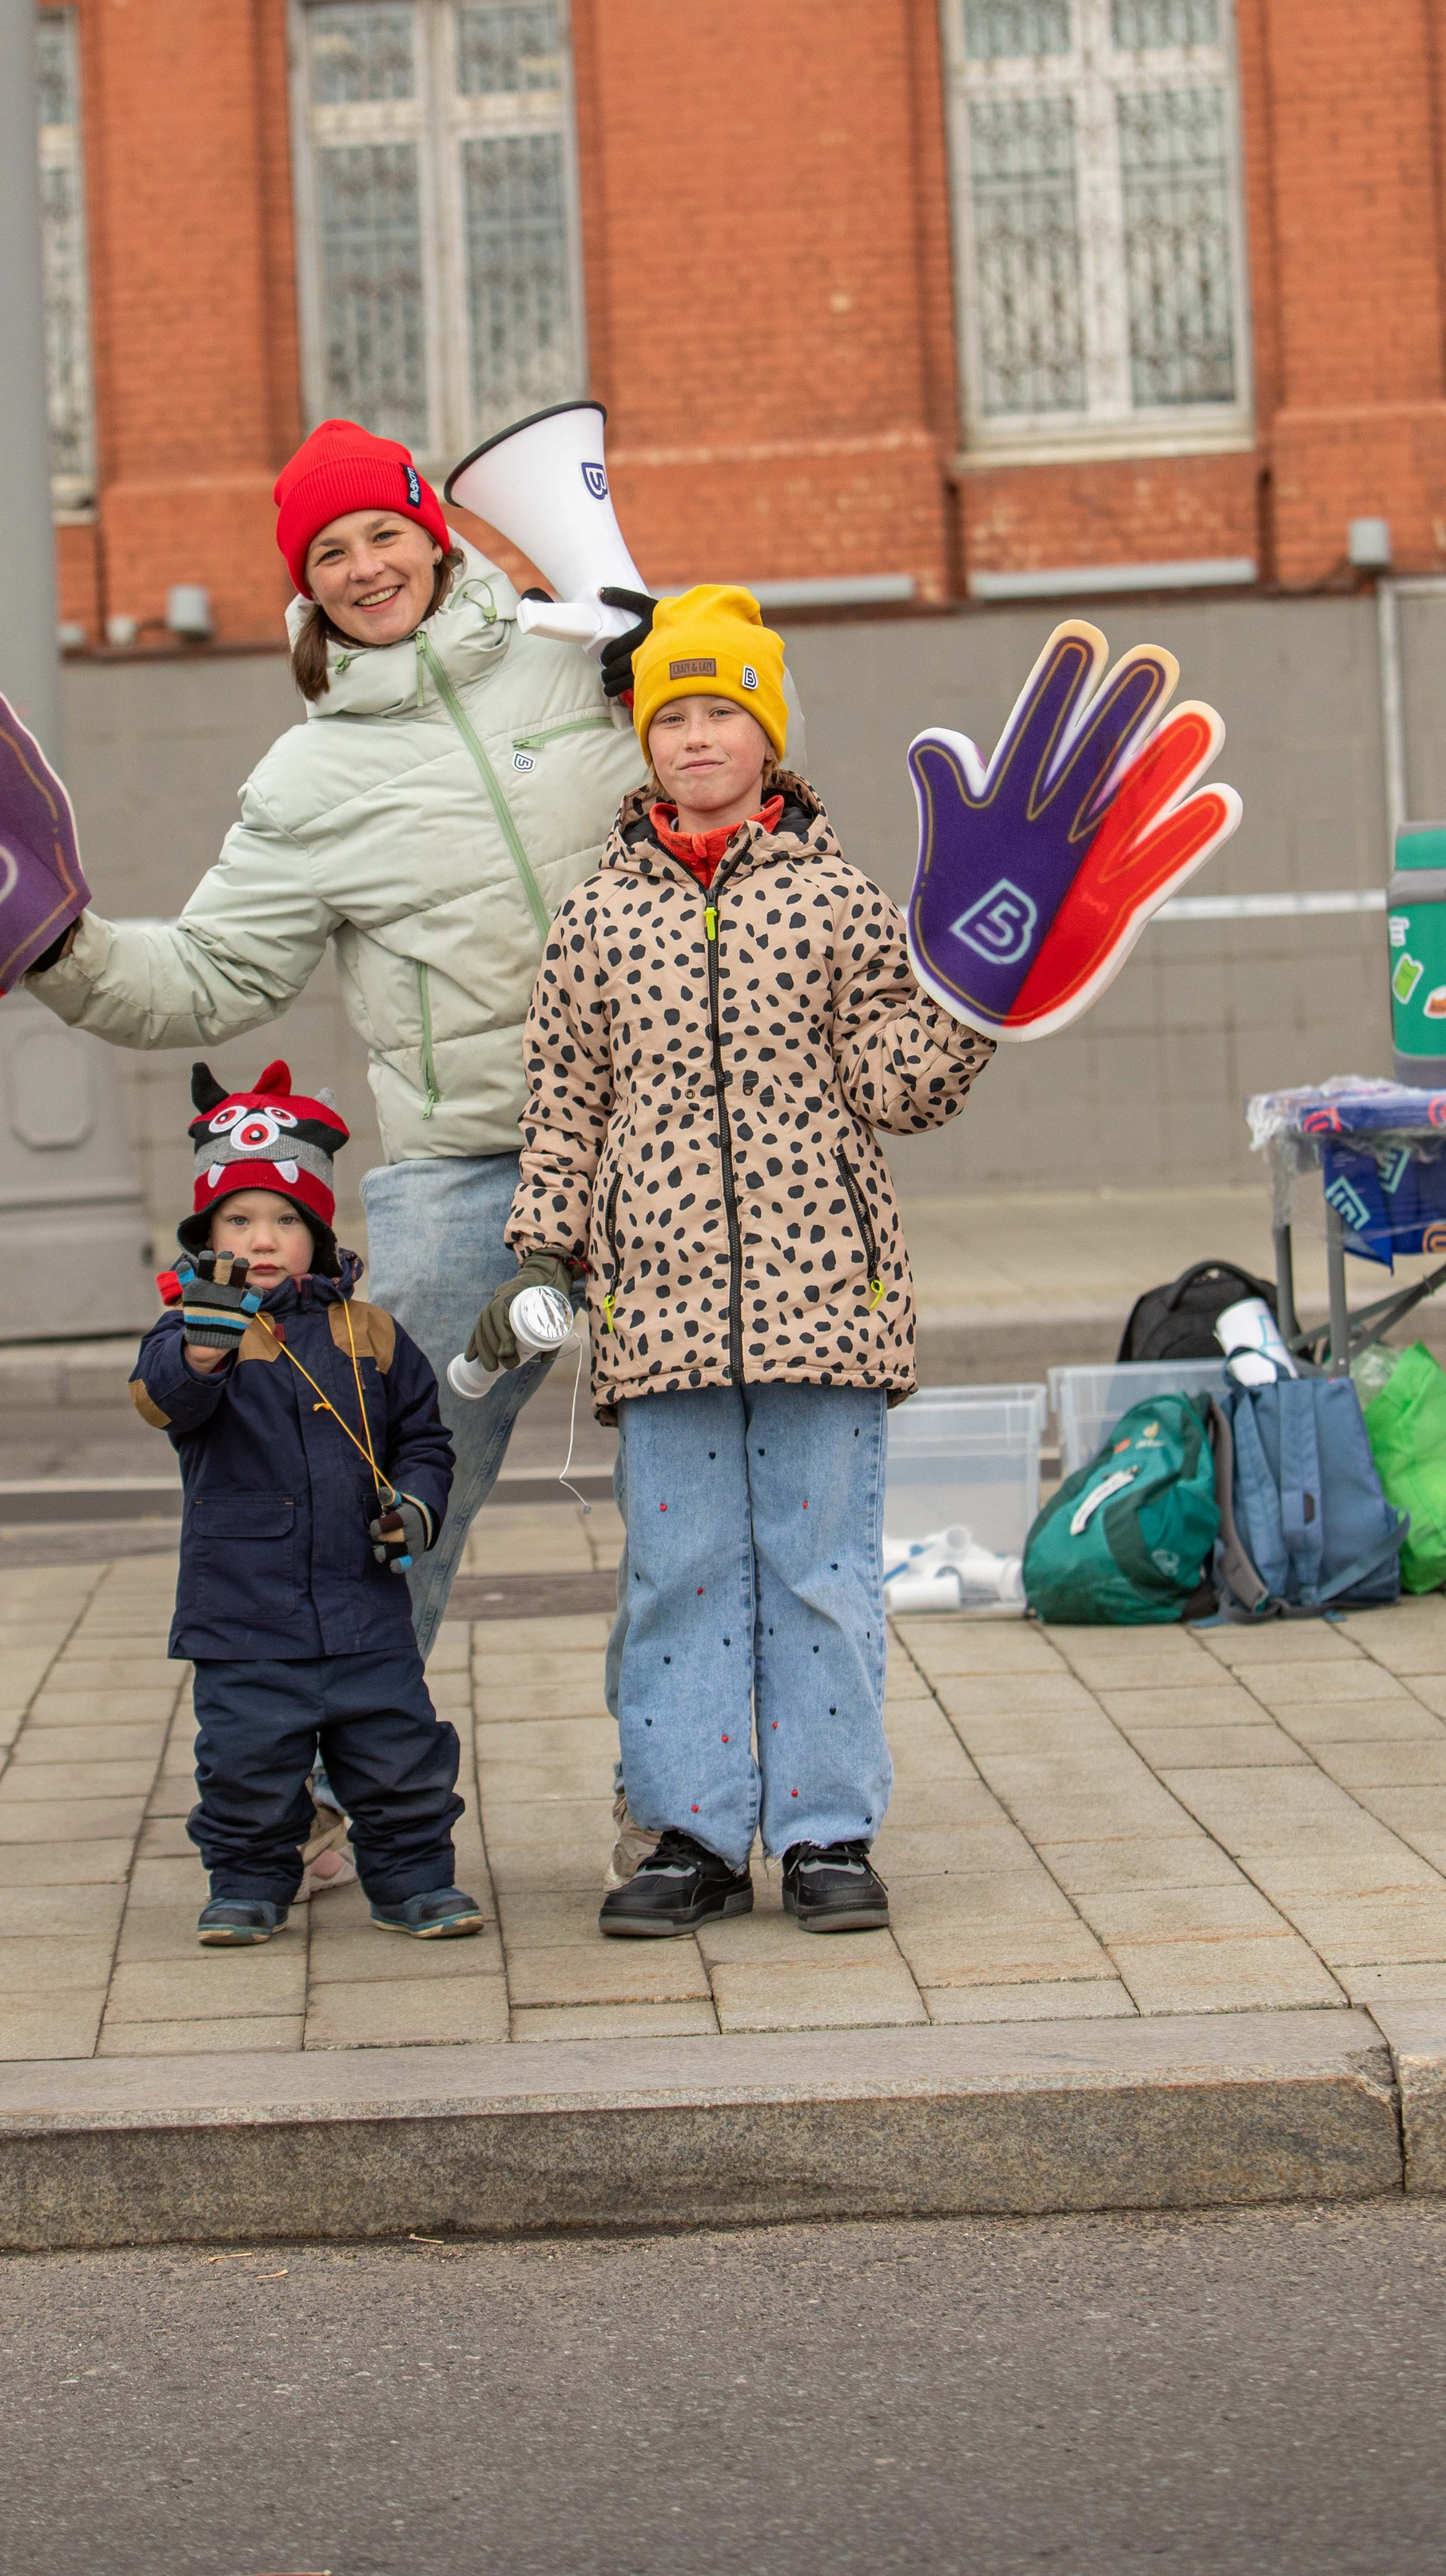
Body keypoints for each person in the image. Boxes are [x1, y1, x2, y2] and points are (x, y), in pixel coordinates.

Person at [27, 418, 657, 1664]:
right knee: (380, 1489)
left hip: (670, 1139)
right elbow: (207, 977)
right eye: (329, 554)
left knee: (692, 1509)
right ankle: (326, 1779)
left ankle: (676, 1810)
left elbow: (742, 775)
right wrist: (56, 946)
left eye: (385, 534)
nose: (366, 568)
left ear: (435, 535)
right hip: (473, 1167)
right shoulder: (306, 780)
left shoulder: (580, 658)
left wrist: (682, 659)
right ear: (302, 587)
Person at [468, 586, 996, 1940]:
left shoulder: (840, 898)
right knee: (679, 1572)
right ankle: (691, 1831)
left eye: (722, 713)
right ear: (644, 741)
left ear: (767, 733)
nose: (696, 739)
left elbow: (896, 1081)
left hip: (828, 1293)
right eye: (673, 716)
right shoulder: (598, 914)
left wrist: (976, 1011)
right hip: (663, 1304)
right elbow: (566, 1091)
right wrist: (548, 1239)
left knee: (819, 1568)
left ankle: (827, 1828)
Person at [129, 1059, 479, 1946]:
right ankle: (247, 1881)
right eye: (239, 1219)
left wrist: (416, 1503)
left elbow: (424, 1440)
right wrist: (200, 1355)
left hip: (361, 1599)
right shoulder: (192, 1329)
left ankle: (413, 1879)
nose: (262, 1237)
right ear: (207, 1230)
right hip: (243, 1611)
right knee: (247, 1762)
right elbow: (165, 1399)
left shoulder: (365, 1331)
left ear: (318, 1234)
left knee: (398, 1755)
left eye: (286, 1220)